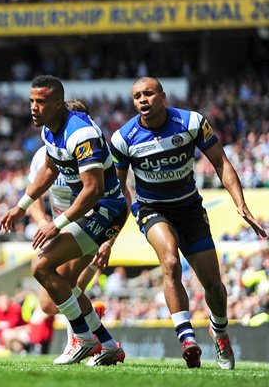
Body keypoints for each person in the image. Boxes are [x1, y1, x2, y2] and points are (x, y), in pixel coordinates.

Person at [109, 76, 267, 370]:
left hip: (190, 208)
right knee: (169, 261)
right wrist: (128, 214)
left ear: (163, 96)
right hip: (152, 209)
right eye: (137, 96)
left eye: (148, 94)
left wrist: (240, 204)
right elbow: (118, 185)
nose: (142, 100)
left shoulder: (191, 122)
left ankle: (219, 332)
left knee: (214, 286)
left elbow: (221, 163)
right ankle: (187, 339)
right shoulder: (123, 138)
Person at [0, 75, 128, 365]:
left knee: (42, 266)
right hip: (83, 215)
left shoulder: (81, 135)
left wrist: (55, 224)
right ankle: (106, 344)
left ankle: (82, 338)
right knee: (60, 289)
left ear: (58, 104)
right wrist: (22, 206)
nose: (33, 107)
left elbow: (94, 190)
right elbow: (48, 169)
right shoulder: (49, 131)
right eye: (32, 101)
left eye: (41, 102)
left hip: (104, 211)